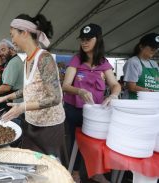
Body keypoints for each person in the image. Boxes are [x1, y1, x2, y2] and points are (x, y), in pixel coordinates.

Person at [0, 14, 68, 165]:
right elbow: (30, 89)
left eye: (13, 35)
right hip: (32, 123)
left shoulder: (44, 58)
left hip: (49, 127)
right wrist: (7, 97)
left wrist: (24, 107)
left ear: (24, 32)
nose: (12, 40)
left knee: (49, 170)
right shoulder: (27, 59)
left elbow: (55, 97)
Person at [62, 23, 121, 183]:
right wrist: (79, 91)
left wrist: (114, 95)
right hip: (74, 110)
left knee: (97, 143)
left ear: (98, 39)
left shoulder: (103, 63)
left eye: (88, 39)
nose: (84, 42)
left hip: (96, 112)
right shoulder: (76, 60)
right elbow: (66, 85)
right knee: (76, 142)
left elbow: (115, 84)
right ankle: (75, 172)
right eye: (82, 39)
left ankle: (97, 172)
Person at [123, 33, 159, 99]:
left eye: (157, 48)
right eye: (152, 47)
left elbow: (156, 80)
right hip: (135, 102)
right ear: (141, 46)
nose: (154, 50)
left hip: (151, 100)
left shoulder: (154, 64)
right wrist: (151, 92)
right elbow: (131, 87)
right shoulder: (133, 62)